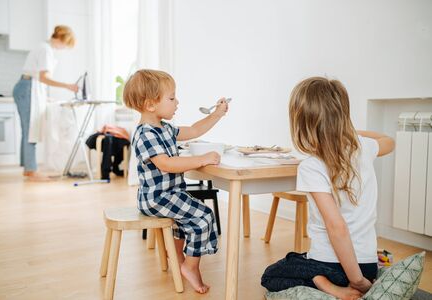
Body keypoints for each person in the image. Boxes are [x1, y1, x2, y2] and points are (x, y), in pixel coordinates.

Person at [261, 77, 395, 300]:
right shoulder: (364, 148)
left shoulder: (311, 166)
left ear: (302, 122)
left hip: (333, 267)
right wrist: (348, 131)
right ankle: (329, 281)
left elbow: (337, 227)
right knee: (298, 258)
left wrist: (356, 281)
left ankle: (329, 288)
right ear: (343, 117)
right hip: (367, 265)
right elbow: (388, 141)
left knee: (271, 275)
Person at [123, 69, 228, 294]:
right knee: (203, 217)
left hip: (169, 194)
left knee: (189, 217)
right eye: (171, 98)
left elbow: (194, 130)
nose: (177, 102)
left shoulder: (165, 129)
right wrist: (200, 159)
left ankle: (179, 260)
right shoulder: (146, 133)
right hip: (157, 198)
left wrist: (217, 114)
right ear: (151, 104)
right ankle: (190, 267)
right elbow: (166, 164)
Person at [13, 25, 78, 181]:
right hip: (27, 88)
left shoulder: (43, 47)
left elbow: (37, 77)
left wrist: (43, 97)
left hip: (27, 87)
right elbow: (43, 77)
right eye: (66, 45)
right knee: (31, 131)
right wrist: (68, 86)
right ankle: (32, 170)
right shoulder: (46, 50)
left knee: (27, 130)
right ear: (62, 40)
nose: (64, 49)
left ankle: (28, 170)